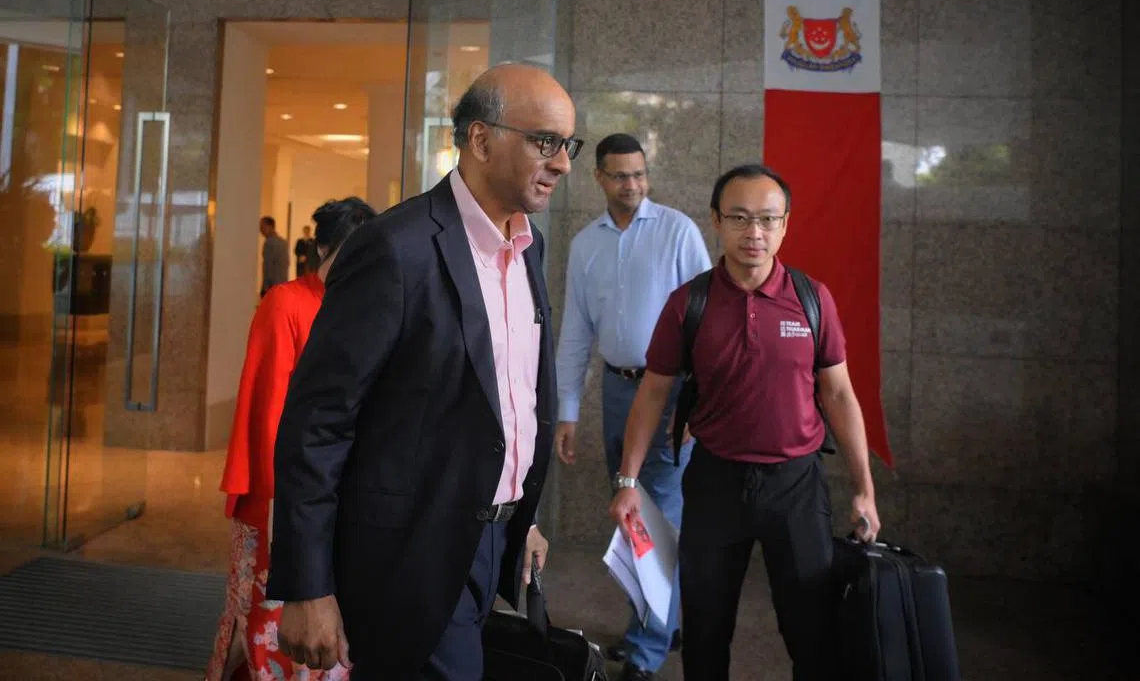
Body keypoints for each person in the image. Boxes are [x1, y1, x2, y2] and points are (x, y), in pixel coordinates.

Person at [267, 64, 580, 680]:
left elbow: (503, 399)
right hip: (407, 550)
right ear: (481, 140)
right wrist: (307, 586)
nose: (563, 163)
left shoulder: (528, 246)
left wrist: (522, 513)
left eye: (568, 145)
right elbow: (317, 421)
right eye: (545, 142)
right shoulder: (395, 248)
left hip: (491, 539)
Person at [609, 164, 882, 681]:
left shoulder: (811, 299)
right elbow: (652, 392)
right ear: (716, 220)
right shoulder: (690, 302)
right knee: (707, 631)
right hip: (714, 481)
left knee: (813, 631)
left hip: (796, 486)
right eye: (738, 217)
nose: (753, 232)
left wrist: (864, 490)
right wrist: (627, 479)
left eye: (766, 219)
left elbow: (840, 393)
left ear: (785, 226)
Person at [554, 133, 710, 680]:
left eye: (640, 174)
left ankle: (647, 650)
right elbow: (574, 332)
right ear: (598, 177)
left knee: (655, 512)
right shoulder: (585, 245)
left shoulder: (676, 231)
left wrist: (699, 399)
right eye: (620, 175)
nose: (633, 185)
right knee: (631, 512)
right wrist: (567, 410)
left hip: (669, 392)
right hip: (618, 392)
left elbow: (706, 319)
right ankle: (658, 621)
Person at [205, 197, 378, 681]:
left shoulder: (361, 308)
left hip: (333, 495)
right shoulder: (285, 302)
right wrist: (290, 506)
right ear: (321, 248)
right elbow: (270, 415)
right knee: (270, 621)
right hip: (281, 496)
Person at [259, 216, 289, 296]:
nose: (260, 230)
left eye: (262, 227)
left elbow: (268, 266)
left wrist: (265, 286)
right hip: (282, 283)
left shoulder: (269, 243)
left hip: (272, 285)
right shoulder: (283, 242)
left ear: (270, 226)